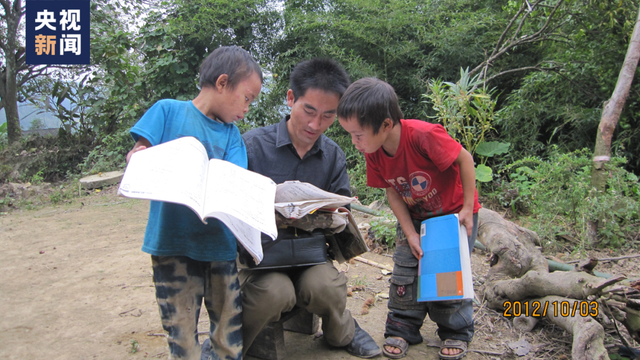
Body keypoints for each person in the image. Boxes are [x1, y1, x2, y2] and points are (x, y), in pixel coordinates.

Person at [126, 46, 263, 360]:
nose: (247, 108)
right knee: (182, 336)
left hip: (219, 249)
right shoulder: (167, 111)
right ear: (222, 83)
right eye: (247, 97)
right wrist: (140, 157)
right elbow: (141, 152)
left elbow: (233, 182)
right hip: (171, 246)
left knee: (228, 334)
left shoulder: (232, 136)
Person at [240, 58, 382, 359]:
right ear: (291, 98)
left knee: (327, 286)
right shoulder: (252, 147)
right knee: (274, 293)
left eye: (328, 115)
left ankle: (343, 333)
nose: (316, 125)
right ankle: (232, 342)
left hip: (310, 257)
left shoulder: (332, 155)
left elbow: (342, 213)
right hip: (262, 260)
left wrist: (330, 212)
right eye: (309, 111)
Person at [337, 77, 481, 360]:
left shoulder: (423, 136)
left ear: (386, 125)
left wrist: (466, 208)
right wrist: (410, 232)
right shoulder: (374, 151)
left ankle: (455, 331)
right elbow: (392, 191)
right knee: (405, 269)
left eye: (358, 135)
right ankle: (403, 326)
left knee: (446, 273)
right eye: (350, 136)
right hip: (415, 216)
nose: (355, 143)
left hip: (452, 215)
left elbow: (465, 159)